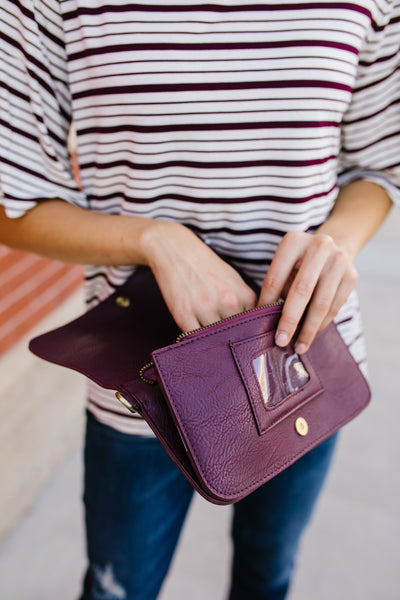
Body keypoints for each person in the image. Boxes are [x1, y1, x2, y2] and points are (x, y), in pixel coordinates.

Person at [0, 1, 399, 599]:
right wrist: (156, 240)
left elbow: (378, 164)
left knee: (268, 579)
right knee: (116, 589)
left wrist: (336, 242)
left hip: (302, 364)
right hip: (143, 382)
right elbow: (15, 202)